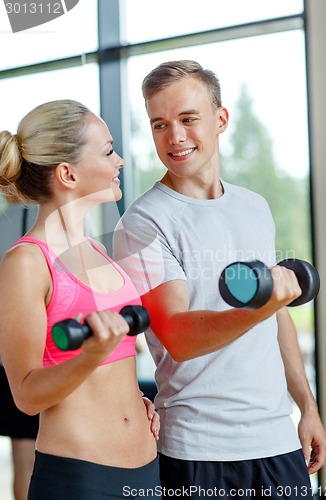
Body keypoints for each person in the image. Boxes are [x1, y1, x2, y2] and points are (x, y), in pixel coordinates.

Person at [113, 60, 326, 499]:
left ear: (220, 119)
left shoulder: (254, 206)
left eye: (188, 119)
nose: (174, 137)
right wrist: (263, 306)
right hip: (198, 450)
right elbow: (179, 336)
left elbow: (279, 317)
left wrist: (307, 407)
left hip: (277, 442)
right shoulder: (142, 223)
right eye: (160, 124)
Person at [0, 99, 160, 500]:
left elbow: (113, 366)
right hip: (80, 479)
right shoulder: (27, 262)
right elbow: (26, 396)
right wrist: (88, 356)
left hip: (146, 471)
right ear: (68, 173)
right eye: (108, 150)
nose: (120, 160)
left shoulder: (100, 251)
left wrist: (131, 401)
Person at [0, 195, 39, 500]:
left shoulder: (3, 223)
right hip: (45, 359)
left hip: (5, 361)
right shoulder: (55, 219)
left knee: (22, 459)